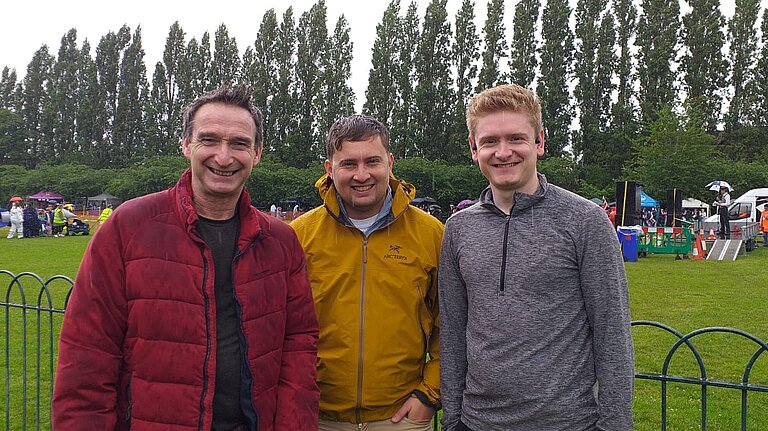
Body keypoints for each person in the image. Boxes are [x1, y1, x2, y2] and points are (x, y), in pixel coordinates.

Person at [53, 85, 320, 430]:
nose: (224, 157)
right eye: (209, 140)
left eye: (239, 143)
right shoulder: (129, 227)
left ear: (257, 153)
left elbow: (298, 348)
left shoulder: (281, 241)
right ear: (186, 145)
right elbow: (87, 354)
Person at [439, 84, 634, 431]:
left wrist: (615, 425)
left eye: (516, 138)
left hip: (566, 423)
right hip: (476, 422)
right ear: (473, 149)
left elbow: (612, 333)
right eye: (489, 141)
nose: (503, 152)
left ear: (539, 142)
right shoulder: (458, 229)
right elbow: (453, 333)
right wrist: (453, 421)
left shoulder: (584, 221)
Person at [291, 115, 443, 430]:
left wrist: (429, 395)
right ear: (329, 168)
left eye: (372, 161)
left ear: (389, 162)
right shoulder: (299, 236)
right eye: (348, 164)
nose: (362, 175)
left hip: (401, 417)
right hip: (318, 416)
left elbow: (452, 323)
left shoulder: (431, 234)